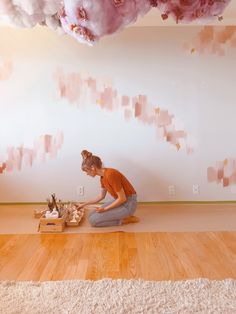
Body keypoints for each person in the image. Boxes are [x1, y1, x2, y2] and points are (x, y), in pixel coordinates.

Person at [76, 150, 139, 227]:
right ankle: (120, 216)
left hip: (128, 204)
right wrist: (83, 204)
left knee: (93, 221)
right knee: (91, 215)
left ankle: (124, 219)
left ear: (92, 167)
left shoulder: (111, 174)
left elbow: (122, 198)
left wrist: (105, 209)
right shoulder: (102, 177)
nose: (87, 174)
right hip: (120, 201)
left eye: (86, 171)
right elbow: (101, 196)